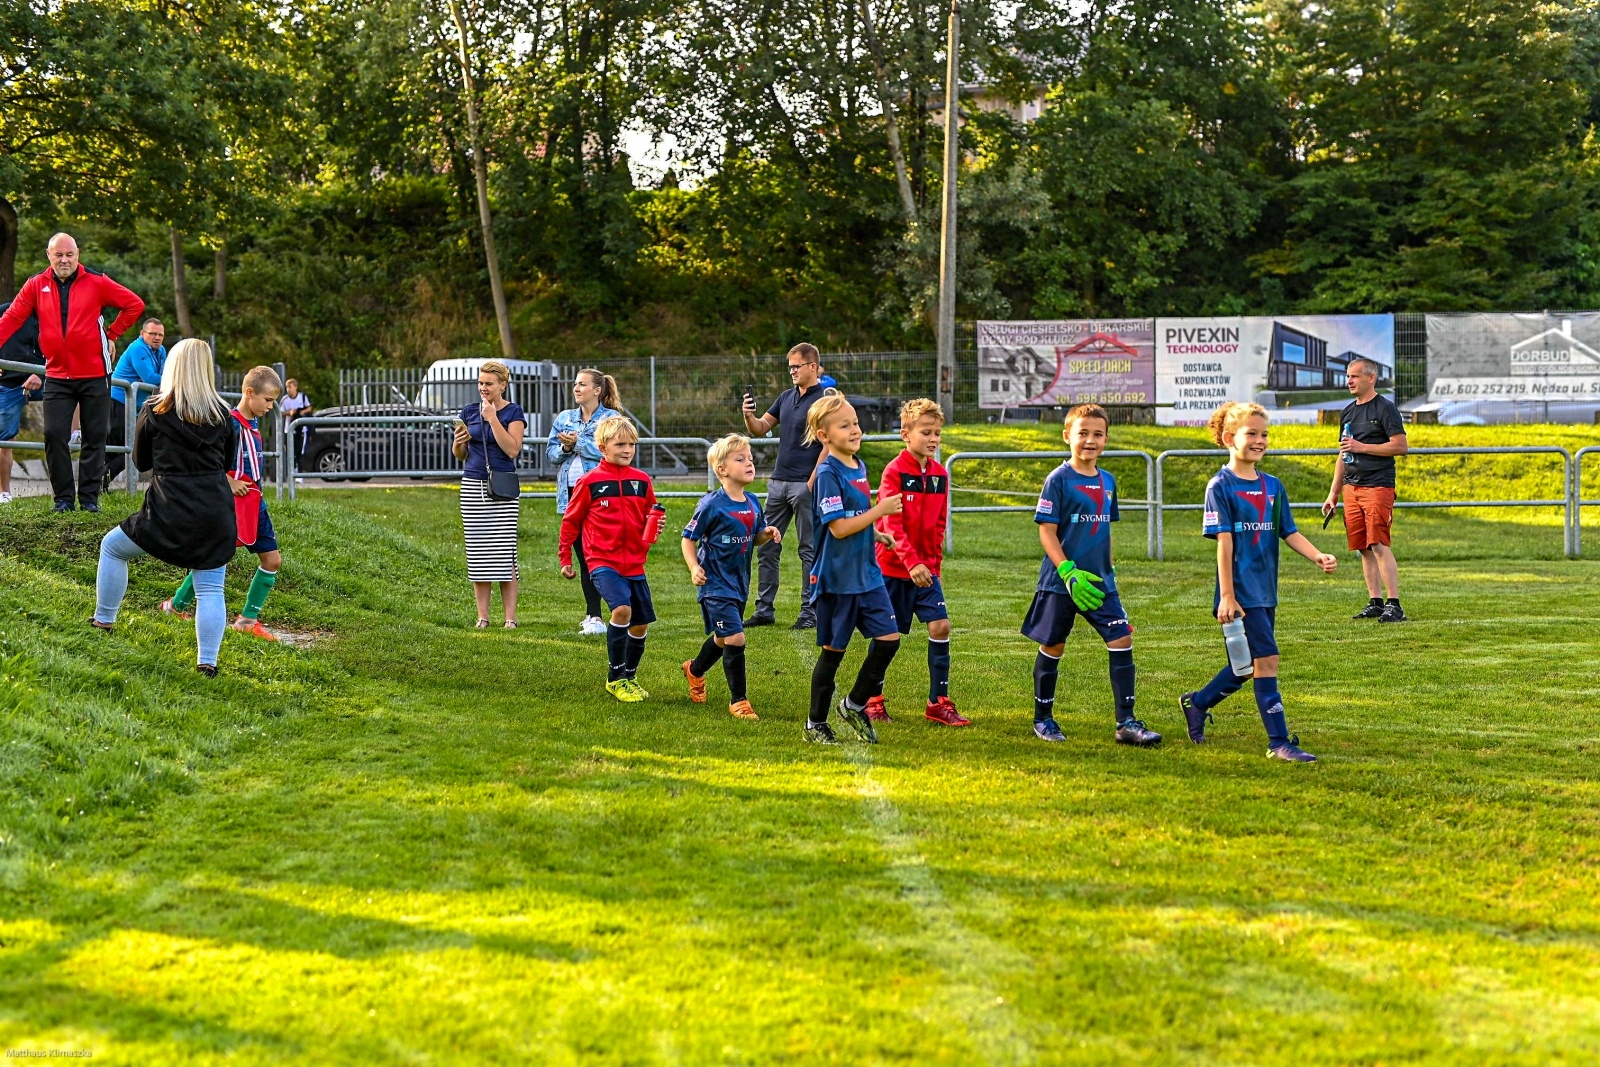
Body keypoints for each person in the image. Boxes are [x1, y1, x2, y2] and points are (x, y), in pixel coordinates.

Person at [1180, 402, 1339, 762]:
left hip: (1266, 591)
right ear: (1228, 438)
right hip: (1239, 594)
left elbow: (1289, 531)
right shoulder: (1220, 485)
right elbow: (1225, 543)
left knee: (1246, 666)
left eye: (1264, 434)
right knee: (1267, 660)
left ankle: (1198, 702)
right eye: (1251, 433)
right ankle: (1279, 743)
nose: (1259, 440)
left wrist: (1317, 555)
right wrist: (1227, 596)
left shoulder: (1273, 486)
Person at [90, 339, 237, 676]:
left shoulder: (154, 410)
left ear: (172, 366)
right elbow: (227, 463)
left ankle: (104, 619)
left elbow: (140, 461)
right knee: (211, 587)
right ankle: (207, 662)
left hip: (167, 508)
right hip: (215, 510)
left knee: (112, 548)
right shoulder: (223, 415)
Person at [1022, 405, 1160, 746]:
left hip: (1099, 582)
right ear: (1067, 435)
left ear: (1106, 439)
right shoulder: (1058, 479)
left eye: (1097, 434)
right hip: (1061, 582)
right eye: (1082, 433)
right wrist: (1067, 572)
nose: (1090, 440)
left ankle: (1126, 724)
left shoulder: (1108, 481)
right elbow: (1047, 532)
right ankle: (1043, 720)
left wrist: (1109, 567)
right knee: (1054, 645)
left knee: (1121, 639)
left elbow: (1105, 528)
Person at [0, 233, 145, 513]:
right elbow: (13, 318)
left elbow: (134, 304)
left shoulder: (97, 282)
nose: (64, 260)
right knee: (54, 434)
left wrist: (112, 333)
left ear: (77, 254)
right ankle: (63, 499)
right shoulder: (35, 285)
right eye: (59, 255)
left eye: (70, 254)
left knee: (95, 435)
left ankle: (89, 500)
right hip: (56, 373)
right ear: (49, 255)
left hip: (95, 372)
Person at [803, 391, 905, 745]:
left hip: (868, 575)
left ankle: (855, 704)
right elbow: (838, 528)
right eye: (845, 425)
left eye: (856, 423)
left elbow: (852, 517)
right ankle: (815, 723)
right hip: (837, 579)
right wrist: (881, 512)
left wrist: (876, 533)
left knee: (889, 640)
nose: (855, 430)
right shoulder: (829, 473)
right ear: (824, 436)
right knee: (834, 653)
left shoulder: (858, 465)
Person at [162, 366, 285, 640]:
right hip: (227, 504)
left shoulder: (253, 424)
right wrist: (229, 482)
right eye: (267, 400)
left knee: (272, 560)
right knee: (213, 560)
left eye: (273, 401)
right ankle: (175, 606)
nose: (270, 406)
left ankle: (246, 620)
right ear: (250, 392)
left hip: (255, 503)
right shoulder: (227, 423)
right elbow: (205, 460)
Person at [869, 398, 970, 727]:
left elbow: (939, 524)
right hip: (895, 570)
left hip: (927, 573)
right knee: (889, 638)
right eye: (926, 432)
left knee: (941, 626)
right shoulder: (894, 472)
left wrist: (933, 566)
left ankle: (937, 702)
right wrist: (911, 563)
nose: (933, 439)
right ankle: (871, 699)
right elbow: (889, 524)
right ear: (905, 433)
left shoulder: (940, 474)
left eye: (937, 433)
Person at [558, 416, 666, 703]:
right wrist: (565, 556)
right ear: (603, 447)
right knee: (621, 610)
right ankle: (615, 678)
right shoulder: (589, 481)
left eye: (632, 444)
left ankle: (630, 676)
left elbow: (648, 514)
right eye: (620, 444)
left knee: (640, 623)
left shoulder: (641, 481)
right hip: (602, 561)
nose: (627, 449)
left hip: (635, 564)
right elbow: (571, 521)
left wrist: (653, 526)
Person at [681, 434, 782, 720]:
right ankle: (739, 701)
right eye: (740, 459)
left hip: (740, 584)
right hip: (715, 584)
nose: (749, 463)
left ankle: (695, 669)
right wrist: (693, 567)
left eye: (750, 459)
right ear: (722, 470)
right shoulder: (711, 504)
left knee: (724, 639)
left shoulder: (752, 502)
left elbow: (754, 537)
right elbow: (688, 539)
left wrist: (767, 534)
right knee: (736, 638)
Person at [741, 342, 828, 629]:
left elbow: (829, 444)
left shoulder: (825, 400)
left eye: (796, 366)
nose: (791, 371)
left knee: (809, 550)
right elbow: (760, 429)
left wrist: (813, 481)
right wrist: (748, 415)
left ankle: (809, 613)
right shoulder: (786, 397)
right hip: (778, 483)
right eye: (789, 366)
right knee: (766, 546)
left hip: (805, 485)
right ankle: (764, 610)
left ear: (812, 367)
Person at [1322, 357, 1409, 623]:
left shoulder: (1386, 408)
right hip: (1352, 487)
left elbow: (1400, 446)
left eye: (1355, 376)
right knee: (1364, 547)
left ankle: (1394, 605)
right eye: (1348, 376)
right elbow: (1343, 453)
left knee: (1378, 543)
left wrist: (1362, 447)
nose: (1349, 380)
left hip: (1378, 485)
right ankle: (1375, 602)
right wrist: (1333, 493)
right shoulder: (1348, 412)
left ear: (1371, 378)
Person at [451, 360, 526, 628]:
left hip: (502, 488)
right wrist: (458, 444)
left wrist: (493, 418)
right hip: (473, 486)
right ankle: (482, 616)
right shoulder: (469, 411)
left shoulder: (513, 412)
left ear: (502, 385)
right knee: (479, 552)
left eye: (489, 384)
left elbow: (512, 449)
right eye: (481, 383)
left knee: (504, 553)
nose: (483, 388)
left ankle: (510, 618)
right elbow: (460, 455)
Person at [547, 368, 623, 636]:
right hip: (572, 496)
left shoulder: (611, 419)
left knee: (605, 555)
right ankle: (594, 616)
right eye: (575, 384)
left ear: (597, 390)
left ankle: (621, 608)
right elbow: (551, 454)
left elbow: (611, 451)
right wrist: (566, 447)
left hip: (602, 494)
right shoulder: (565, 418)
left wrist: (578, 443)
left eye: (582, 384)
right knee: (584, 557)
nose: (576, 388)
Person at [105, 318, 167, 489]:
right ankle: (96, 484)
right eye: (152, 333)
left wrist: (162, 379)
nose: (157, 337)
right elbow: (152, 378)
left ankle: (99, 484)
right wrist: (167, 380)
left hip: (135, 406)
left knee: (129, 448)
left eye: (160, 334)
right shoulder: (138, 348)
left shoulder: (161, 351)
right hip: (118, 401)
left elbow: (162, 376)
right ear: (142, 334)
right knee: (120, 448)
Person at [0, 301, 44, 505]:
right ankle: (4, 493)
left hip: (45, 377)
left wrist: (41, 373)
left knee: (78, 387)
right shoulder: (5, 311)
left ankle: (74, 435)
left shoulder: (53, 315)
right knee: (5, 441)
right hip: (9, 381)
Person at [279, 378, 312, 464]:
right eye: (287, 387)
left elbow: (309, 407)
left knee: (300, 451)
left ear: (295, 387)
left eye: (290, 387)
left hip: (301, 429)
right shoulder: (284, 399)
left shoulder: (302, 397)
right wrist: (289, 412)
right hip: (289, 429)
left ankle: (299, 472)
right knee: (290, 452)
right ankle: (292, 472)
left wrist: (302, 412)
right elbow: (280, 412)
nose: (288, 389)